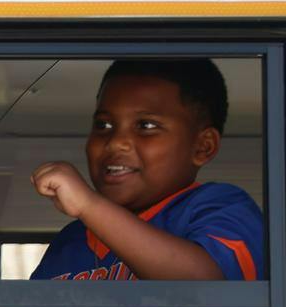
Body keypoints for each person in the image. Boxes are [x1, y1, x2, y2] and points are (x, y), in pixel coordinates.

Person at [29, 58, 264, 280]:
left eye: (146, 125)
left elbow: (206, 286)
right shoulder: (70, 241)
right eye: (103, 125)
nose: (115, 142)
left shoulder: (220, 207)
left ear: (203, 147)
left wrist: (89, 205)